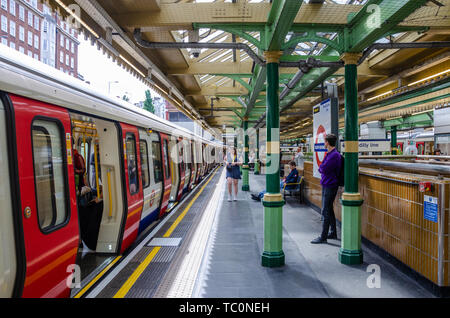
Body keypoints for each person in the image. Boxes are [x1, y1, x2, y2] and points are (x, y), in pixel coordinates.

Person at [311, 133, 342, 244]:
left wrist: (322, 168)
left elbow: (323, 168)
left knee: (325, 211)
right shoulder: (330, 154)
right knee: (329, 209)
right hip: (327, 184)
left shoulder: (334, 155)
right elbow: (322, 167)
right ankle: (333, 232)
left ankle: (323, 236)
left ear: (327, 142)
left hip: (330, 185)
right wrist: (322, 168)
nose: (324, 143)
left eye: (324, 141)